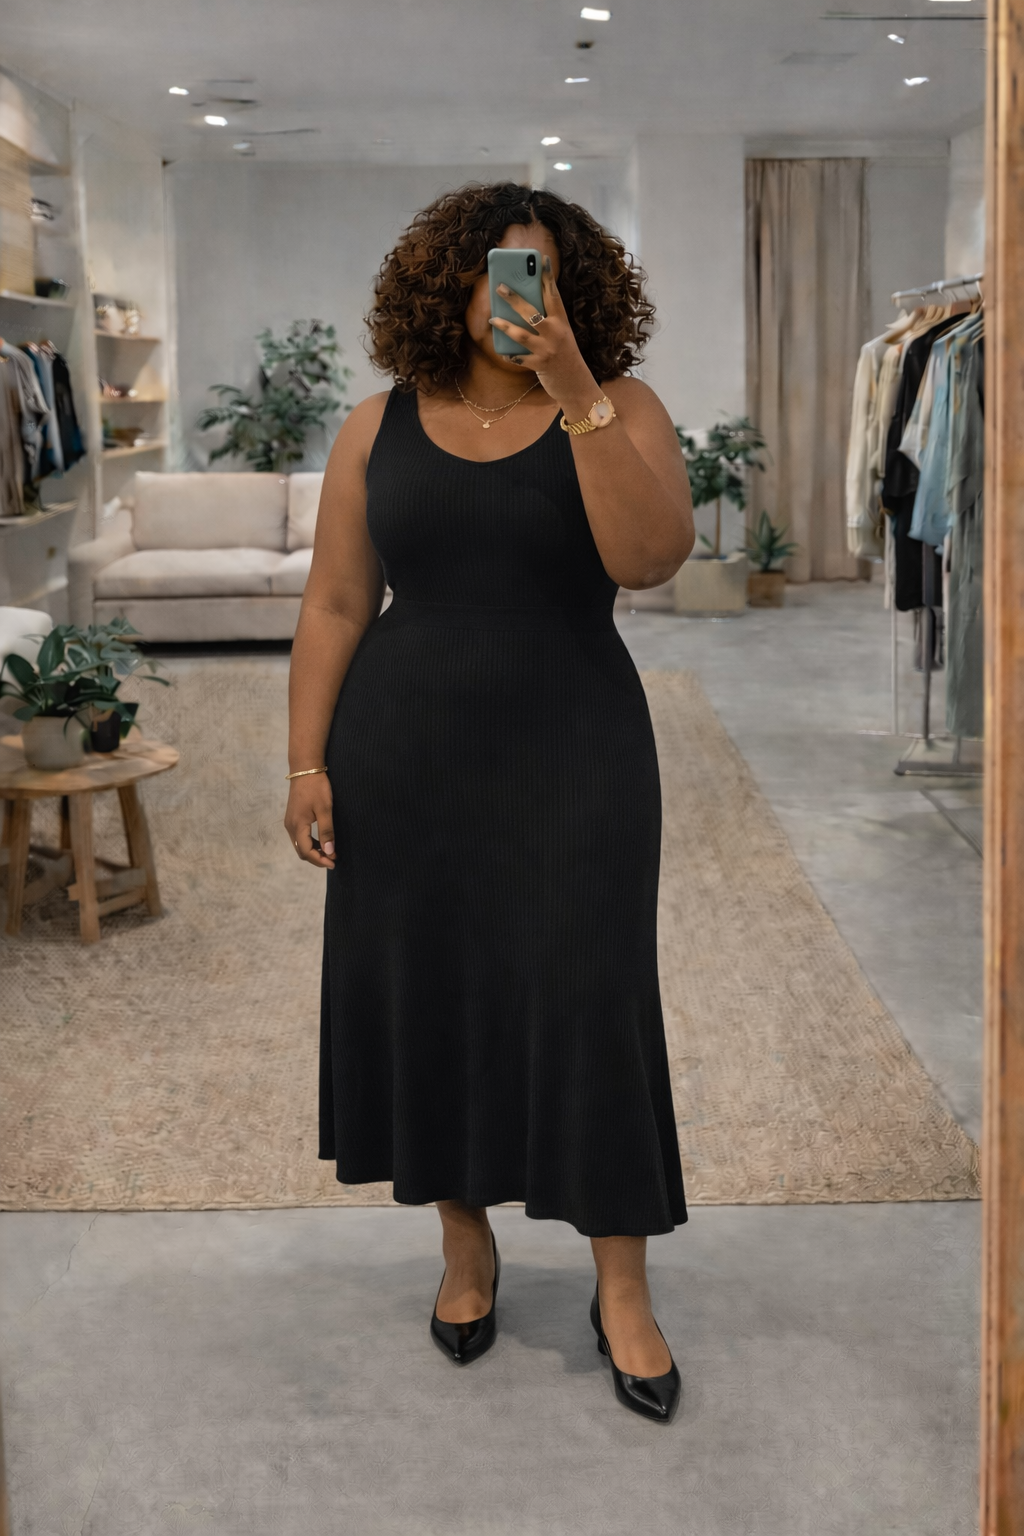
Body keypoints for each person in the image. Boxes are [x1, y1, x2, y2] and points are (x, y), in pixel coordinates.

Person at [285, 182, 695, 1423]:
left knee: (589, 997)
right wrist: (307, 761)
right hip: (406, 752)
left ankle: (620, 1284)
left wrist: (577, 390)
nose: (520, 297)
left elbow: (649, 558)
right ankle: (466, 1251)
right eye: (497, 272)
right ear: (446, 284)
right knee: (435, 989)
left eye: (546, 276)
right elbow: (337, 604)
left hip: (576, 744)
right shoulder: (376, 426)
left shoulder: (622, 410)